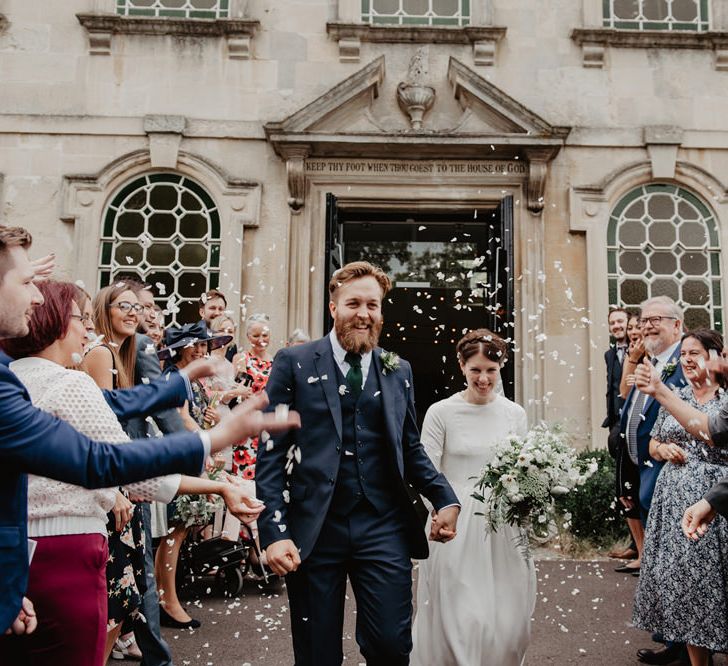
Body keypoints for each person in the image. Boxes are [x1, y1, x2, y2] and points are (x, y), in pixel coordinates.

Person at [0, 224, 300, 637]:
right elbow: (103, 460)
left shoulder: (22, 373)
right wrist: (215, 441)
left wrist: (176, 384)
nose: (90, 327)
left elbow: (111, 405)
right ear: (53, 320)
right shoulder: (63, 380)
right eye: (81, 317)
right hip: (63, 550)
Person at [256, 260, 460, 666]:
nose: (364, 314)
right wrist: (273, 532)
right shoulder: (293, 362)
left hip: (382, 525)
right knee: (317, 654)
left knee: (390, 645)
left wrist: (445, 499)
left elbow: (410, 448)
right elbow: (271, 454)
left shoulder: (397, 369)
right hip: (315, 527)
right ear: (333, 308)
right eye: (353, 303)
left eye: (373, 305)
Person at [410, 329, 535, 666]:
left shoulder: (515, 414)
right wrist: (439, 513)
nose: (483, 378)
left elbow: (523, 471)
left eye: (491, 370)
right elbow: (427, 471)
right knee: (462, 616)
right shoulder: (441, 412)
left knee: (509, 621)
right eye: (476, 369)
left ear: (501, 368)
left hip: (503, 526)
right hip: (456, 522)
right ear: (461, 365)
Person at [633, 330, 728, 666]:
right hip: (672, 501)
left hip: (715, 502)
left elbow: (714, 435)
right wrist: (662, 449)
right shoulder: (678, 394)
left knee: (712, 583)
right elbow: (652, 443)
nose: (686, 360)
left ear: (715, 358)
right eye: (683, 353)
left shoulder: (725, 401)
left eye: (695, 353)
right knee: (682, 582)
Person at [617, 297, 687, 665]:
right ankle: (669, 636)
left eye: (656, 319)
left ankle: (680, 645)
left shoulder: (684, 364)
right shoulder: (649, 362)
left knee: (676, 565)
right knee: (659, 565)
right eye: (643, 320)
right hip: (644, 474)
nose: (647, 326)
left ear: (677, 325)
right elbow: (631, 412)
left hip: (671, 476)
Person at [155, 322, 232, 629]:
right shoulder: (176, 377)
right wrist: (210, 445)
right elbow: (183, 419)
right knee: (174, 532)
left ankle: (167, 596)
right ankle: (168, 601)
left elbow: (196, 414)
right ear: (183, 349)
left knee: (180, 531)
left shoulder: (190, 379)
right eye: (197, 346)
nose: (203, 351)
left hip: (188, 457)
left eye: (205, 346)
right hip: (179, 459)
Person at [231, 313, 273, 479]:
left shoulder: (276, 361)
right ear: (248, 336)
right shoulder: (242, 359)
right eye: (256, 336)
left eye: (265, 335)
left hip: (267, 425)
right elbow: (237, 395)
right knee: (245, 477)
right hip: (247, 425)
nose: (261, 339)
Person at [199, 289, 237, 361]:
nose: (217, 313)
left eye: (221, 309)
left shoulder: (230, 344)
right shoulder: (192, 337)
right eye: (212, 308)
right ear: (202, 312)